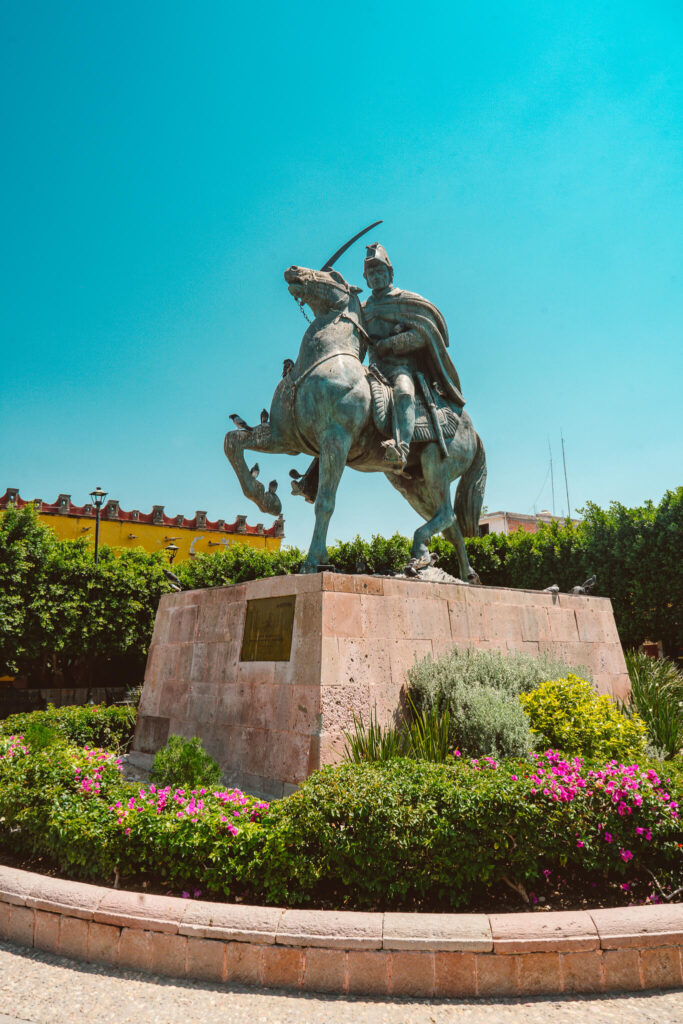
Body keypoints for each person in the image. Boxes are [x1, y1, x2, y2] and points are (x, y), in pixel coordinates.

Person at [362, 243, 465, 471]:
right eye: (371, 273)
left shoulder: (405, 301)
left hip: (400, 369)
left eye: (380, 271)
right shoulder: (362, 309)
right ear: (365, 279)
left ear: (390, 273)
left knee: (404, 392)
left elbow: (422, 334)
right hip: (371, 370)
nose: (376, 276)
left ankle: (401, 448)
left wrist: (389, 344)